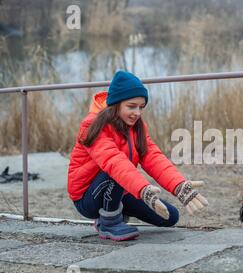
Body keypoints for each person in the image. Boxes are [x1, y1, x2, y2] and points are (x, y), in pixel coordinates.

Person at [67, 70, 208, 241]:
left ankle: (116, 208)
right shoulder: (93, 125)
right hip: (88, 197)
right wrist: (143, 189)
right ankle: (108, 223)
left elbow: (153, 157)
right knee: (118, 167)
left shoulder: (136, 126)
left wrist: (178, 185)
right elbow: (114, 162)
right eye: (131, 106)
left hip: (121, 190)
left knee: (170, 217)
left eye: (141, 107)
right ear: (116, 104)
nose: (137, 113)